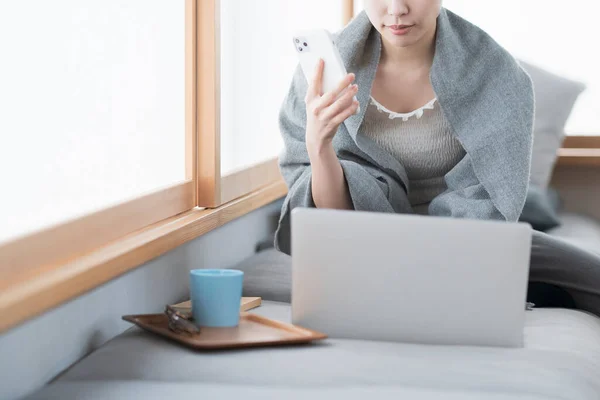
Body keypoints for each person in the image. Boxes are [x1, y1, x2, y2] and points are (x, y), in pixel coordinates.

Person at [275, 0, 600, 316]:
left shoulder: (498, 75)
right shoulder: (319, 74)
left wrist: (445, 259)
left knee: (591, 279)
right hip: (365, 238)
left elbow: (492, 199)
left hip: (467, 239)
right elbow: (333, 222)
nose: (396, 9)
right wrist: (319, 146)